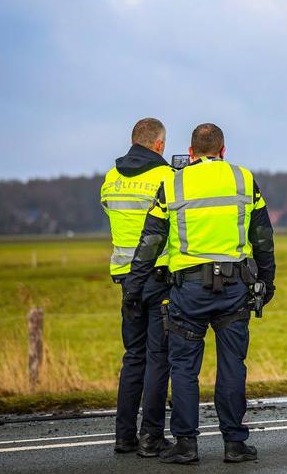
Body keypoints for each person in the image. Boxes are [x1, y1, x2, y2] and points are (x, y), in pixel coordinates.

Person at [126, 123, 276, 464]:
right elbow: (264, 237)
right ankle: (235, 444)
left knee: (183, 367)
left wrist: (134, 288)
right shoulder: (243, 179)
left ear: (190, 153)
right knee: (232, 366)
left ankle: (186, 445)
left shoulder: (172, 182)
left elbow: (150, 242)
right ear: (223, 151)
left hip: (188, 291)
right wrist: (267, 281)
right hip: (234, 288)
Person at [100, 117, 174, 457]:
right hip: (158, 277)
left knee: (133, 357)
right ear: (159, 145)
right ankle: (151, 437)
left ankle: (123, 436)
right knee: (158, 359)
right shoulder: (164, 177)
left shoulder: (111, 177)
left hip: (125, 279)